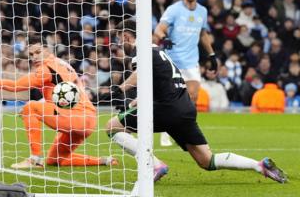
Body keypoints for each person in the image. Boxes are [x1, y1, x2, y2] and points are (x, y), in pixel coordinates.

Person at [105, 19, 287, 183]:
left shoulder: (141, 50)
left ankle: (154, 165)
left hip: (164, 109)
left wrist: (120, 88)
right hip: (183, 108)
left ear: (127, 36)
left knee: (111, 127)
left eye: (121, 39)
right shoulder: (158, 51)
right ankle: (258, 165)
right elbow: (158, 82)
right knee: (206, 160)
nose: (121, 44)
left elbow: (140, 73)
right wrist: (135, 101)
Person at [0, 35, 116, 169]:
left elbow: (16, 86)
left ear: (47, 49)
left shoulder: (46, 69)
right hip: (86, 118)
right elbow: (58, 92)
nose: (34, 57)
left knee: (31, 108)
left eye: (38, 52)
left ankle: (35, 159)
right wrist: (43, 104)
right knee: (55, 160)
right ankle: (104, 161)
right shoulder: (61, 63)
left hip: (76, 117)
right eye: (31, 54)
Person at [153, 0, 218, 146]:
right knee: (171, 97)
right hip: (173, 60)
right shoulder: (173, 10)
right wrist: (164, 39)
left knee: (192, 96)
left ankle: (183, 131)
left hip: (191, 60)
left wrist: (212, 55)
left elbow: (203, 34)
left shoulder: (202, 11)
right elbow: (159, 29)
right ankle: (166, 130)